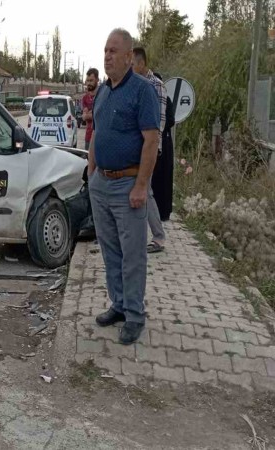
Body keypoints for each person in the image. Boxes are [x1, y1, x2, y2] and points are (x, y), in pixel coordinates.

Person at [88, 29, 161, 345]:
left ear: (130, 57)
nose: (107, 56)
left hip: (128, 185)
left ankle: (134, 315)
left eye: (114, 51)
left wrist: (141, 186)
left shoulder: (143, 91)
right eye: (105, 50)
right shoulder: (104, 91)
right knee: (111, 252)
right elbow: (97, 134)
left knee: (133, 256)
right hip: (101, 185)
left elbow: (151, 140)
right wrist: (91, 174)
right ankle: (118, 305)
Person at [132, 47, 167, 253]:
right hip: (138, 147)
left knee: (146, 190)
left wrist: (151, 146)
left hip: (150, 147)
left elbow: (158, 124)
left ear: (142, 64)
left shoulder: (156, 86)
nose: (131, 69)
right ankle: (141, 235)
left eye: (133, 65)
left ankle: (159, 237)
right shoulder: (136, 85)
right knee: (139, 189)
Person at [151, 71, 176, 222]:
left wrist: (158, 127)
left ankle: (164, 212)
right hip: (154, 142)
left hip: (164, 143)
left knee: (165, 178)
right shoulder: (150, 100)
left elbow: (170, 120)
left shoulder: (167, 101)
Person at [81, 68, 100, 150]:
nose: (89, 83)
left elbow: (100, 114)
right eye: (87, 81)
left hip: (100, 138)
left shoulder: (102, 95)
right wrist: (91, 114)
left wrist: (92, 113)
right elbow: (84, 117)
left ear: (97, 80)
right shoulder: (85, 98)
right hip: (88, 137)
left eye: (91, 80)